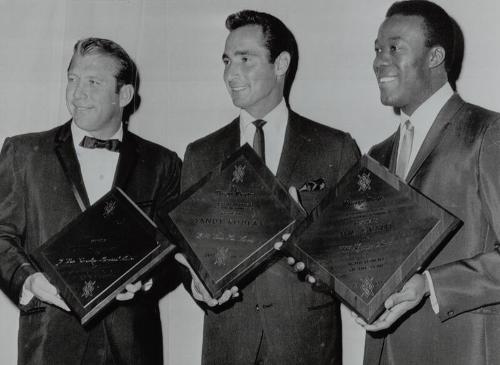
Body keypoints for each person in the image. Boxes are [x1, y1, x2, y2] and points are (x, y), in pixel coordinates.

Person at [180, 9, 360, 365]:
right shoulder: (200, 154)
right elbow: (188, 256)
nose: (231, 73)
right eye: (227, 60)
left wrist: (311, 242)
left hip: (306, 342)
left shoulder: (334, 147)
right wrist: (195, 285)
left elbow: (357, 254)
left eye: (245, 59)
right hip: (227, 344)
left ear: (281, 64)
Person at [0, 37, 181, 365]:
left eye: (93, 82)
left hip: (132, 349)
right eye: (72, 79)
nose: (77, 93)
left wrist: (145, 281)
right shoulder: (23, 154)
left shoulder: (162, 163)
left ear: (123, 95)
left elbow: (174, 251)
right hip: (49, 347)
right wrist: (31, 280)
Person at [357, 1, 500, 364]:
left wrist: (431, 285)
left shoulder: (487, 133)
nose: (379, 61)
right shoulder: (377, 154)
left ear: (435, 56)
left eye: (394, 48)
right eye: (376, 50)